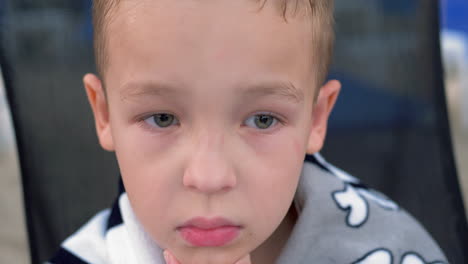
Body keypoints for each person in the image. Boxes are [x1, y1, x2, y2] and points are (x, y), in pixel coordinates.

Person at [48, 0, 448, 263]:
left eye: (262, 119)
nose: (209, 177)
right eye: (163, 118)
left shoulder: (389, 247)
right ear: (104, 115)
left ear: (317, 118)